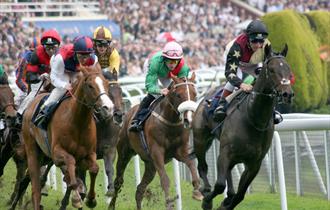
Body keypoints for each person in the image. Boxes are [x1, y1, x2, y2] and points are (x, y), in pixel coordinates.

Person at [213, 19, 282, 124]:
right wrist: (241, 84)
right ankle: (221, 105)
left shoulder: (266, 45)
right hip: (237, 62)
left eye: (261, 41)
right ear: (248, 38)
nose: (258, 45)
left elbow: (269, 63)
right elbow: (230, 73)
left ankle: (271, 109)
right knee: (238, 77)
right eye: (254, 41)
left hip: (253, 63)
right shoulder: (237, 46)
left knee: (263, 78)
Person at [34, 36, 98, 129]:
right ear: (75, 53)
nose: (84, 59)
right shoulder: (60, 58)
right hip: (62, 69)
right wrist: (64, 85)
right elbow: (54, 77)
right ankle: (44, 111)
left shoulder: (93, 59)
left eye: (86, 56)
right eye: (81, 56)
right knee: (62, 89)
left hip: (75, 69)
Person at [129, 41, 190, 132]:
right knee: (154, 95)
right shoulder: (156, 63)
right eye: (169, 60)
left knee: (176, 93)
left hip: (168, 73)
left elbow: (183, 88)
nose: (172, 64)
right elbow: (149, 86)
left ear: (179, 60)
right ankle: (137, 120)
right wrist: (160, 91)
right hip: (154, 69)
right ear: (164, 58)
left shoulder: (183, 68)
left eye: (175, 61)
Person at [15, 30, 61, 129]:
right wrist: (40, 77)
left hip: (56, 78)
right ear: (43, 47)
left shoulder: (62, 54)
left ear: (58, 46)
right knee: (35, 91)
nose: (50, 51)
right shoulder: (37, 53)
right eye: (48, 48)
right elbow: (30, 75)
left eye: (53, 47)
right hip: (40, 79)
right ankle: (20, 114)